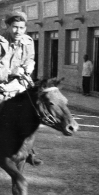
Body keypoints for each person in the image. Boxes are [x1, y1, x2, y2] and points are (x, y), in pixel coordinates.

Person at [0, 11, 43, 166]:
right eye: (15, 27)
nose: (18, 31)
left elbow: (30, 58)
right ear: (7, 26)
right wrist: (10, 72)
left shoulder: (28, 41)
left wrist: (29, 65)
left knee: (32, 111)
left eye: (22, 28)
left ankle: (29, 150)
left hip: (19, 84)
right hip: (1, 85)